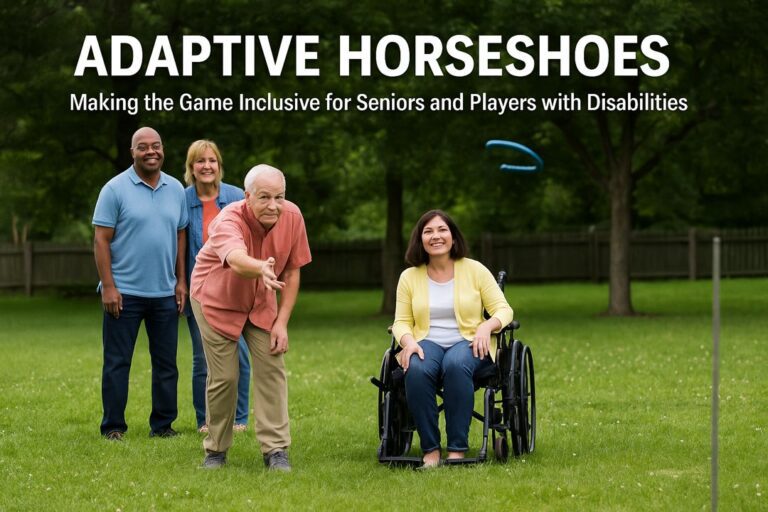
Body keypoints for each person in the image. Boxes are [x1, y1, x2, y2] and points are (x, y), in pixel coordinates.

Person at [190, 164, 311, 471]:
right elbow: (235, 258)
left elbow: (293, 272)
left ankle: (276, 450)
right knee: (225, 377)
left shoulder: (293, 217)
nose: (273, 205)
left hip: (260, 301)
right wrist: (261, 268)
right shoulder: (228, 218)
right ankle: (215, 450)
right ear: (247, 196)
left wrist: (282, 322)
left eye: (279, 197)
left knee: (272, 368)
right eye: (265, 197)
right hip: (215, 299)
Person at [391, 209, 513, 468]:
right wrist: (409, 342)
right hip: (426, 342)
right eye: (428, 231)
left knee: (456, 365)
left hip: (469, 341)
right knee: (416, 368)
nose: (436, 236)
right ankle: (431, 451)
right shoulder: (409, 277)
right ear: (420, 240)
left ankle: (457, 450)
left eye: (442, 230)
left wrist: (486, 326)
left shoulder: (475, 270)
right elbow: (401, 321)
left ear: (453, 237)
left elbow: (504, 310)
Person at [92, 126, 188, 440]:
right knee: (118, 363)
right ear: (132, 152)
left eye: (156, 146)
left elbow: (181, 234)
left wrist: (181, 281)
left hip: (165, 294)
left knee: (166, 365)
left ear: (162, 149)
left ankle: (162, 426)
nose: (151, 151)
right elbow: (101, 240)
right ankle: (113, 427)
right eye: (143, 147)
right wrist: (108, 286)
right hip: (124, 294)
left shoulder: (175, 189)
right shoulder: (114, 189)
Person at [182, 140, 251, 434]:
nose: (206, 166)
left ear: (219, 166)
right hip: (199, 292)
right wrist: (181, 285)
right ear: (191, 168)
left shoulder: (237, 197)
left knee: (242, 354)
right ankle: (205, 420)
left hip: (235, 290)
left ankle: (239, 419)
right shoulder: (182, 200)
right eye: (200, 161)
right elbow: (179, 248)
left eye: (212, 161)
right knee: (202, 358)